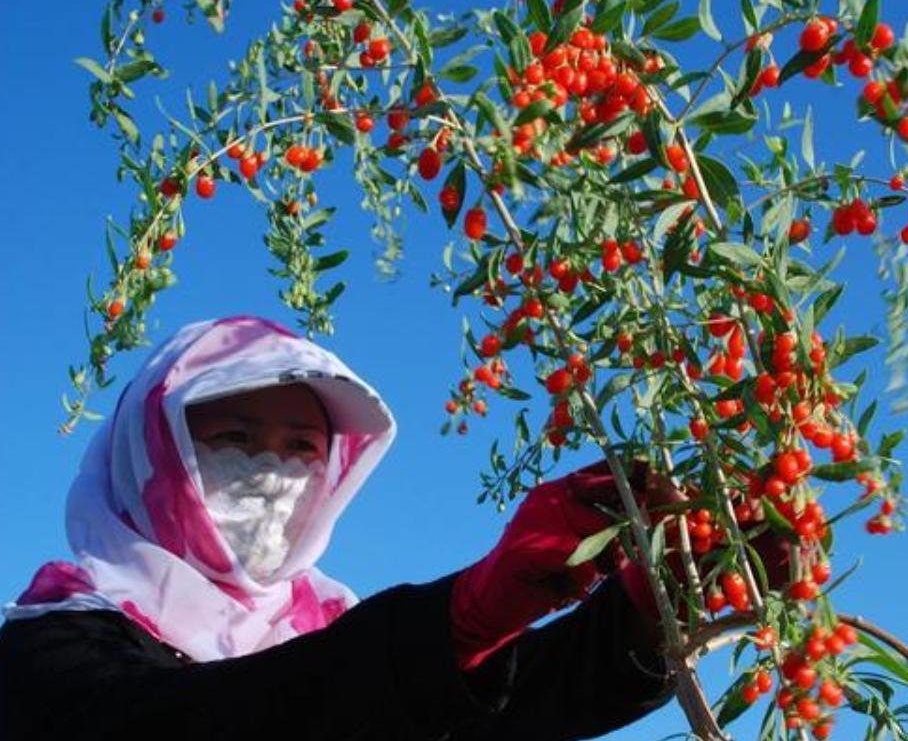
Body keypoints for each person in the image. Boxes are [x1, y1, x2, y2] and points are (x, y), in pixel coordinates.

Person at [0, 315, 683, 740]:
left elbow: (496, 713)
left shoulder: (322, 629)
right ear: (153, 456)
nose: (272, 468)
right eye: (235, 435)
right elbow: (199, 719)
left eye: (302, 447)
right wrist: (457, 620)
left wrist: (644, 612)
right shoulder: (55, 648)